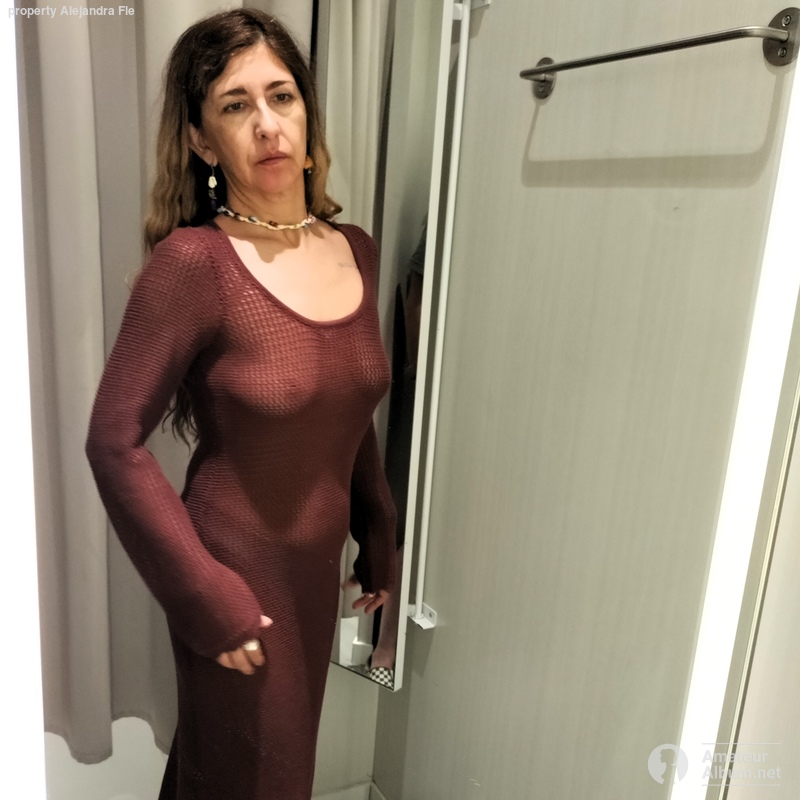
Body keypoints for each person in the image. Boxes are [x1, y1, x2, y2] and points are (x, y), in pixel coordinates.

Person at [84, 9, 397, 800]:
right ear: (201, 140)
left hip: (314, 574)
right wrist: (200, 591)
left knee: (232, 770)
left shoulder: (355, 249)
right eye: (235, 105)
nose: (266, 124)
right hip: (236, 575)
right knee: (255, 779)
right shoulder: (195, 264)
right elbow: (113, 442)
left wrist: (379, 533)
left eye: (281, 96)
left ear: (306, 112)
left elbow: (346, 408)